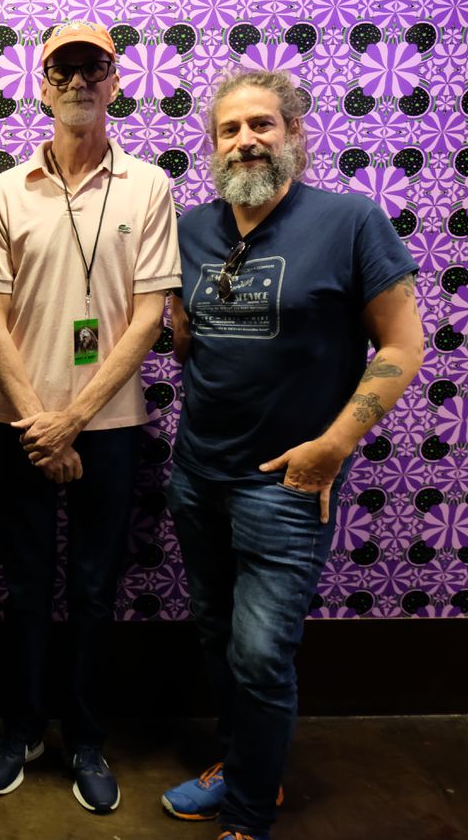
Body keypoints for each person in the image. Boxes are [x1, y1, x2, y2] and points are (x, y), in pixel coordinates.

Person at [163, 70, 423, 840]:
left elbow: (403, 345)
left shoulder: (349, 221)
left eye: (261, 124)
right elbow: (185, 338)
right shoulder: (191, 229)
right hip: (197, 474)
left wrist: (333, 447)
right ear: (212, 145)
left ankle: (249, 815)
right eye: (229, 129)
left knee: (259, 653)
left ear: (294, 134)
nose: (245, 140)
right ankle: (246, 765)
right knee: (217, 635)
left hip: (285, 482)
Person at [0, 19, 181, 813]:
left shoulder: (149, 187)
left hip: (112, 425)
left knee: (95, 588)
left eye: (94, 68)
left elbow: (150, 316)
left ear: (116, 82)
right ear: (43, 85)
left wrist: (76, 417)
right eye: (64, 69)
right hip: (20, 422)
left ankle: (87, 736)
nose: (79, 81)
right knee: (25, 586)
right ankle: (21, 728)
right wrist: (42, 421)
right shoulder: (5, 190)